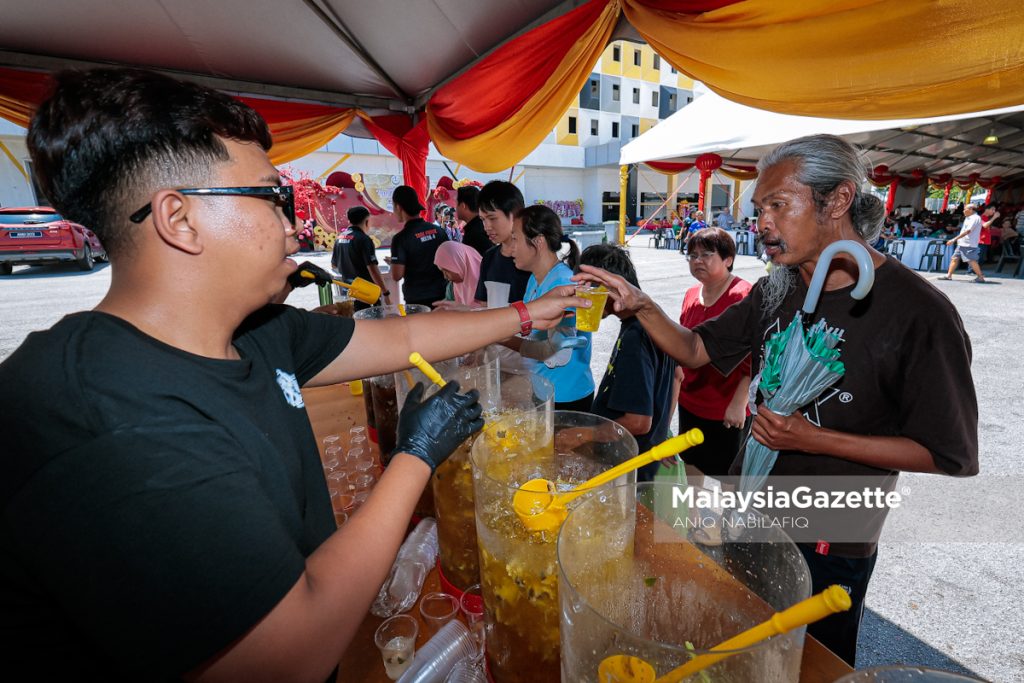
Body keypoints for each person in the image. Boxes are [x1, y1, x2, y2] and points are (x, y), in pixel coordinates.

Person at [0, 67, 587, 681]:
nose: (292, 224)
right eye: (269, 197)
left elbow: (404, 336)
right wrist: (416, 453)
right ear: (179, 219)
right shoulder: (110, 423)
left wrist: (527, 311)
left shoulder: (256, 329)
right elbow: (292, 651)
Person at [576, 133, 978, 666]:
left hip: (829, 535)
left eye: (778, 205)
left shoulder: (919, 314)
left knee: (807, 665)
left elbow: (949, 453)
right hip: (749, 512)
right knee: (741, 652)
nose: (761, 223)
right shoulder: (778, 288)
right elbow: (696, 349)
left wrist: (814, 438)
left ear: (836, 201)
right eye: (759, 208)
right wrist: (642, 306)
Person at [583, 244, 676, 480]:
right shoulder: (653, 319)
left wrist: (581, 434)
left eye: (588, 287)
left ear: (611, 288)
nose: (582, 295)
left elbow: (638, 422)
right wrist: (662, 433)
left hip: (628, 464)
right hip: (644, 454)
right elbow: (678, 377)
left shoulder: (635, 338)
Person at [676, 227, 753, 477]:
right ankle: (693, 517)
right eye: (692, 255)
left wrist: (739, 402)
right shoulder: (690, 294)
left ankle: (728, 518)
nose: (697, 261)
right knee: (692, 467)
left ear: (728, 259)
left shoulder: (742, 295)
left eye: (706, 254)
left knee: (729, 478)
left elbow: (757, 356)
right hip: (691, 402)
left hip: (727, 407)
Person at [506, 205, 594, 411]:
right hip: (543, 389)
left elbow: (556, 353)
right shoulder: (535, 279)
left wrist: (501, 337)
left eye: (515, 239)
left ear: (538, 242)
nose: (510, 249)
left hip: (565, 397)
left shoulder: (562, 283)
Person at [473, 180, 532, 306]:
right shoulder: (489, 257)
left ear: (516, 215)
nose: (487, 227)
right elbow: (485, 306)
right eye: (483, 220)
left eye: (492, 218)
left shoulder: (534, 257)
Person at [389, 185, 449, 306]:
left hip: (416, 300)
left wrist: (393, 262)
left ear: (398, 207)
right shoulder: (439, 231)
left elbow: (397, 275)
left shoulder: (400, 239)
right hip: (442, 296)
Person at [331, 205, 391, 310]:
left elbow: (334, 265)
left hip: (348, 292)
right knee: (370, 324)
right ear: (367, 221)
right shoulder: (364, 239)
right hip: (366, 295)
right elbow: (372, 269)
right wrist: (385, 293)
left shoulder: (340, 238)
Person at [941, 203, 991, 282]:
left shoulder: (975, 218)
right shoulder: (969, 217)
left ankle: (980, 277)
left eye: (965, 209)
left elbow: (968, 231)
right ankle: (949, 275)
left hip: (968, 243)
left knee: (971, 261)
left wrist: (954, 239)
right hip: (963, 242)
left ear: (971, 210)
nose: (963, 211)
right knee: (954, 258)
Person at [433, 240, 482, 307]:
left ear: (459, 264)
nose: (445, 276)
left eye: (447, 271)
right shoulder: (452, 287)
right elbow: (448, 304)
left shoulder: (488, 282)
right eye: (442, 272)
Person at [457, 185, 490, 257]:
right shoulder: (481, 225)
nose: (455, 208)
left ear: (463, 206)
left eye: (456, 204)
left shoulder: (474, 234)